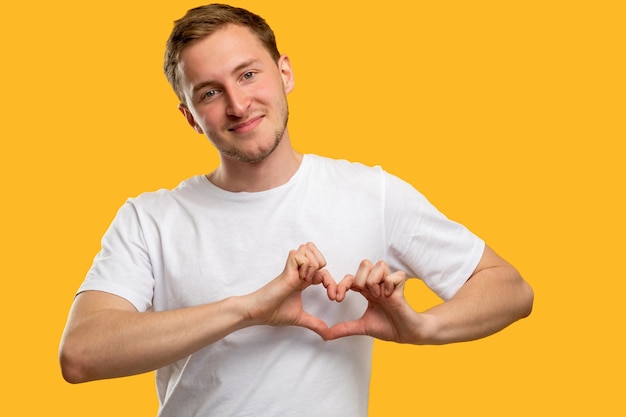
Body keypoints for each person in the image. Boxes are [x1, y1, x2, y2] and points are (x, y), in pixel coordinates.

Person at [59, 4, 533, 416]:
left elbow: (510, 289)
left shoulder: (371, 193)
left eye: (248, 74)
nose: (238, 104)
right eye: (209, 91)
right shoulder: (151, 219)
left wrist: (423, 328)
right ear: (189, 117)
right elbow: (81, 354)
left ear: (284, 72)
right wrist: (248, 309)